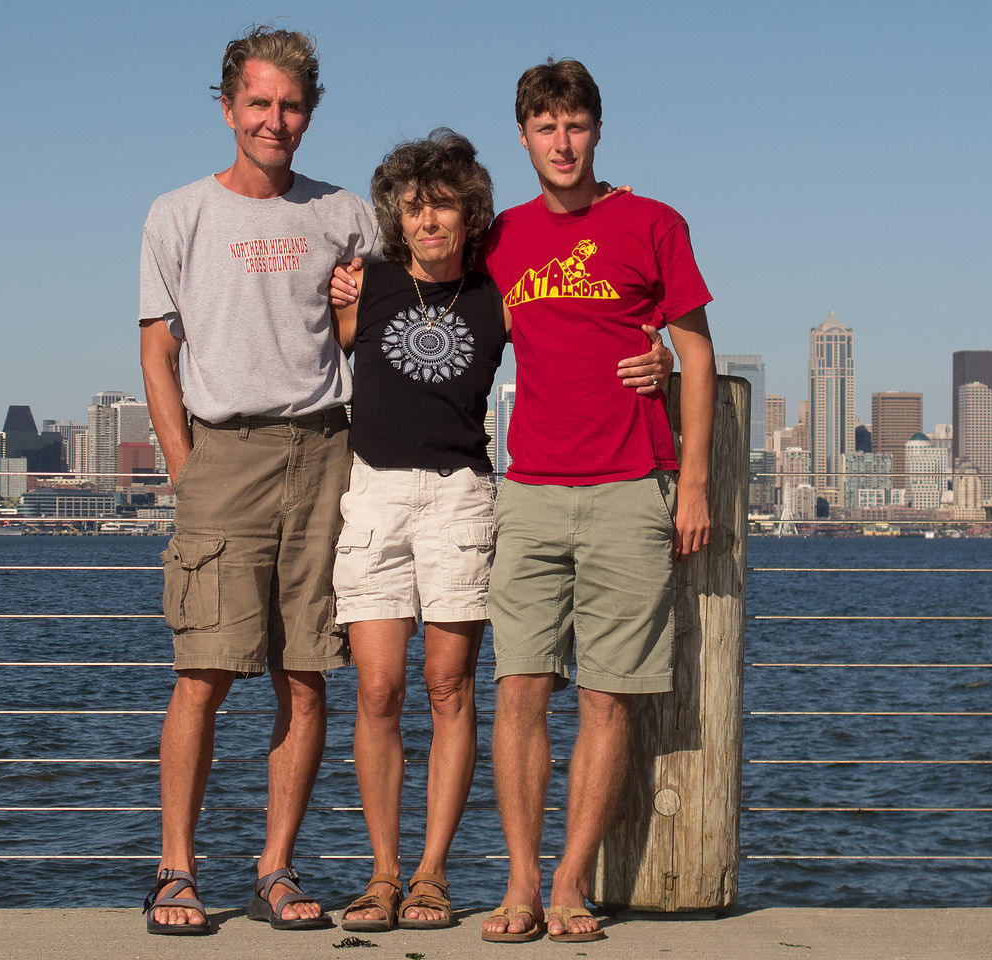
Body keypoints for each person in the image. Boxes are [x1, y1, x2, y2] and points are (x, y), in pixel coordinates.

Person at [328, 130, 672, 932]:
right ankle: (382, 873)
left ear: (468, 211)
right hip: (373, 495)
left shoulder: (497, 293)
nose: (429, 221)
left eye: (443, 204)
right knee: (378, 688)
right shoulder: (363, 288)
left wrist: (657, 359)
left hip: (462, 496)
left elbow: (580, 334)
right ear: (396, 217)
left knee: (450, 688)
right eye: (414, 208)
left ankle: (432, 876)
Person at [137, 25, 378, 935]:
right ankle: (174, 871)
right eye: (260, 103)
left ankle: (276, 869)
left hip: (325, 453)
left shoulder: (345, 213)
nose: (275, 120)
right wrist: (184, 466)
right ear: (229, 105)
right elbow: (159, 352)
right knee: (202, 671)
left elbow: (362, 341)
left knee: (307, 672)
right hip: (221, 458)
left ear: (310, 112)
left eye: (291, 105)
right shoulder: (178, 213)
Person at [477, 58, 717, 944]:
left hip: (631, 491)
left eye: (575, 125)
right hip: (531, 493)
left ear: (598, 130)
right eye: (546, 128)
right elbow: (435, 307)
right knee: (520, 693)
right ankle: (519, 883)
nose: (562, 142)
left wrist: (692, 485)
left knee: (609, 699)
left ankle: (572, 884)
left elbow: (698, 356)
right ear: (524, 137)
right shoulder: (500, 238)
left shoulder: (653, 223)